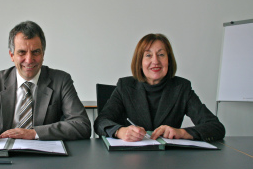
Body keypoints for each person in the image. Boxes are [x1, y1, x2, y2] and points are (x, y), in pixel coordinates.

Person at [0, 21, 91, 144]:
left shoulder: (61, 80)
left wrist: (34, 133)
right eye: (22, 52)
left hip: (46, 158)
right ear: (12, 56)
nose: (29, 60)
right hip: (3, 155)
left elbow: (82, 124)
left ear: (43, 54)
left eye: (36, 52)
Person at [94, 33, 225, 142]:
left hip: (169, 161)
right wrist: (120, 131)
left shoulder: (182, 88)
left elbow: (216, 127)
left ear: (169, 60)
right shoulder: (125, 86)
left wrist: (182, 132)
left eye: (161, 54)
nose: (155, 61)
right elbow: (101, 121)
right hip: (132, 161)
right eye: (148, 55)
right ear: (140, 62)